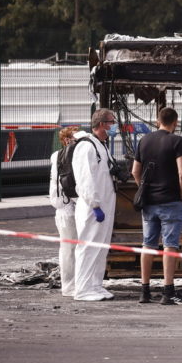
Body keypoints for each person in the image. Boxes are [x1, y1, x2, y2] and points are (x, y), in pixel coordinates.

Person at [132, 107, 182, 305]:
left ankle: (144, 290)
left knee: (147, 244)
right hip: (171, 200)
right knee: (169, 245)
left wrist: (143, 189)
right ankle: (168, 291)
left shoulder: (144, 141)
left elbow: (134, 171)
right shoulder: (177, 141)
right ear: (175, 122)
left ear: (158, 121)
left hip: (149, 202)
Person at [72, 109, 118, 301]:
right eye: (111, 122)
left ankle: (95, 285)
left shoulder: (101, 145)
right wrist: (95, 204)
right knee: (88, 246)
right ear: (100, 124)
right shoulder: (86, 147)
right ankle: (82, 289)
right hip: (93, 207)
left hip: (104, 204)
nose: (113, 126)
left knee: (100, 247)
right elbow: (85, 178)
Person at [48, 125, 79, 297]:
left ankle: (72, 283)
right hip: (66, 207)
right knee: (68, 248)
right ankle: (69, 285)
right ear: (67, 140)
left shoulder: (58, 156)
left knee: (70, 248)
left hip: (65, 206)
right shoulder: (62, 157)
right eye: (74, 139)